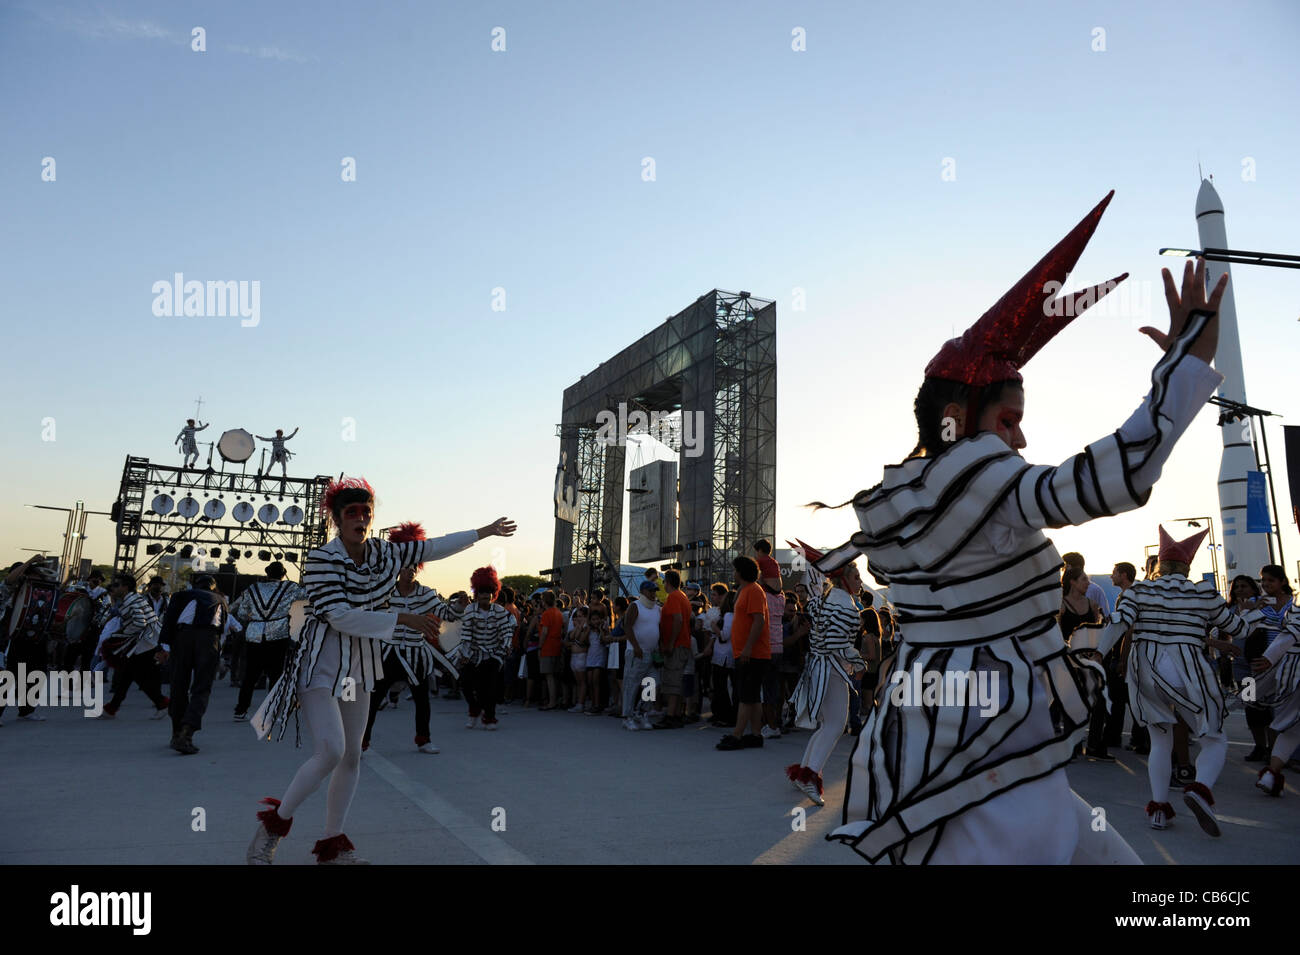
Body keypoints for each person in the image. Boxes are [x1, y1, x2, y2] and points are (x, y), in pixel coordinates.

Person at [814, 194, 1227, 864]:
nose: (1022, 435)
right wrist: (1181, 370)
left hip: (972, 752)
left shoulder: (913, 500)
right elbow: (1108, 478)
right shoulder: (975, 479)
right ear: (959, 416)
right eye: (1009, 419)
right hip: (993, 769)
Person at [245, 476, 513, 864]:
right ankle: (271, 830)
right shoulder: (323, 559)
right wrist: (402, 618)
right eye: (351, 513)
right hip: (320, 662)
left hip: (359, 666)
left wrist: (484, 531)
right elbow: (337, 615)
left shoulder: (385, 554)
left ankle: (332, 845)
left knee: (352, 756)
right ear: (336, 519)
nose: (360, 519)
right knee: (331, 751)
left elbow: (433, 547)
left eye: (366, 513)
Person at [1113, 526, 1246, 835]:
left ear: (1160, 564)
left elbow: (1120, 624)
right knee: (1214, 737)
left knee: (1161, 740)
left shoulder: (1140, 590)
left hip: (1146, 669)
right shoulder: (1202, 591)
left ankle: (1158, 811)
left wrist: (1095, 653)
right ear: (1187, 565)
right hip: (1188, 670)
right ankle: (1200, 789)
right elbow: (1236, 627)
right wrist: (1251, 619)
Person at [361, 524, 464, 752]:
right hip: (390, 652)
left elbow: (445, 613)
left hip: (416, 654)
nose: (410, 571)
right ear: (398, 568)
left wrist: (458, 606)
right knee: (374, 698)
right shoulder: (384, 590)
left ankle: (423, 740)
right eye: (406, 567)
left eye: (414, 568)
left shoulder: (426, 593)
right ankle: (362, 742)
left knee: (422, 699)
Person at [786, 542, 867, 805]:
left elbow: (816, 624)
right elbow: (836, 644)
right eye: (856, 576)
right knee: (834, 726)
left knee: (828, 725)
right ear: (844, 579)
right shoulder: (845, 606)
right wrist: (859, 662)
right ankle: (809, 776)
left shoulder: (825, 599)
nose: (860, 580)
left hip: (820, 666)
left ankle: (806, 772)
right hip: (831, 669)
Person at [158, 574, 229, 754]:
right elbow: (223, 628)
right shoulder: (220, 599)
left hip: (182, 638)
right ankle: (187, 733)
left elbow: (168, 620)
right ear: (213, 587)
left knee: (178, 686)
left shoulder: (182, 595)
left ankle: (175, 732)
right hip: (209, 640)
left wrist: (162, 645)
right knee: (201, 688)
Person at [230, 562, 305, 722]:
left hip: (255, 635)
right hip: (278, 634)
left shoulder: (253, 589)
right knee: (276, 675)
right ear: (283, 574)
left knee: (250, 675)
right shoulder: (290, 588)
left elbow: (242, 613)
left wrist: (256, 617)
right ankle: (273, 712)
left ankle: (240, 710)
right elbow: (307, 597)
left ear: (267, 574)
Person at [98, 572, 171, 721]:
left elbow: (140, 623)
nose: (114, 587)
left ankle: (161, 703)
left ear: (125, 587)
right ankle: (112, 708)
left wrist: (121, 635)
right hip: (142, 644)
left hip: (142, 645)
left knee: (136, 677)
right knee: (129, 676)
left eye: (117, 585)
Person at [1253, 565, 1299, 795]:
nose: (1266, 585)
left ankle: (1272, 774)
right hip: (1285, 670)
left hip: (1285, 671)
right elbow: (1291, 633)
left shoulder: (1295, 606)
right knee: (1287, 726)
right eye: (1264, 581)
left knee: (1290, 728)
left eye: (1270, 581)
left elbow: (1289, 633)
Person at [451, 567, 515, 730]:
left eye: (488, 593)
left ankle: (489, 717)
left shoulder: (500, 611)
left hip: (493, 654)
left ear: (493, 594)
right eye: (482, 593)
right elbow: (466, 633)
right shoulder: (470, 610)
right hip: (473, 653)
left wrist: (507, 646)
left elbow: (506, 630)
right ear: (476, 595)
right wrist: (465, 654)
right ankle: (474, 709)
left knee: (489, 687)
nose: (485, 596)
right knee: (465, 684)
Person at [716, 556, 770, 751]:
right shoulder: (745, 590)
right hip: (746, 652)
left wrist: (747, 647)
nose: (733, 573)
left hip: (753, 653)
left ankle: (737, 735)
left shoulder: (754, 590)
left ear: (742, 572)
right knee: (753, 697)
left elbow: (759, 621)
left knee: (745, 696)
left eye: (735, 569)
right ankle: (756, 735)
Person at [1110, 561, 1148, 755]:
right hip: (1132, 652)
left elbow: (1129, 630)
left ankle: (1139, 739)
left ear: (1123, 575)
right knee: (1129, 696)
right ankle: (1136, 737)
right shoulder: (1128, 594)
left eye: (1114, 572)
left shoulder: (1128, 596)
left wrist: (1122, 658)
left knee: (1128, 696)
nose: (1111, 576)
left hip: (1129, 652)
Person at [652, 571, 692, 729]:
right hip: (679, 644)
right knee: (674, 679)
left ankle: (671, 716)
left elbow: (678, 620)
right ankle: (675, 714)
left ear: (667, 582)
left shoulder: (675, 597)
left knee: (673, 680)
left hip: (676, 645)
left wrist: (670, 643)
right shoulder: (680, 596)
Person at [621, 580, 661, 730]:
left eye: (654, 591)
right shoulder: (635, 606)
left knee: (653, 683)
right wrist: (636, 646)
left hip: (651, 654)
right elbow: (627, 626)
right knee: (631, 685)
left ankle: (642, 712)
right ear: (643, 591)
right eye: (651, 591)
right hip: (636, 653)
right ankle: (627, 717)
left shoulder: (657, 609)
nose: (653, 594)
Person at [537, 591, 564, 710]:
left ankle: (551, 701)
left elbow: (544, 632)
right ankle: (556, 699)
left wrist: (539, 646)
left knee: (549, 676)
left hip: (548, 647)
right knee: (555, 675)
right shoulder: (558, 612)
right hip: (557, 645)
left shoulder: (547, 614)